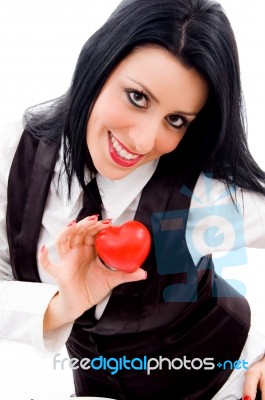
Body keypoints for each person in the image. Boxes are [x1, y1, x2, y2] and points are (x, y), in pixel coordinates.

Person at [1, 0, 265, 398]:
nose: (143, 141)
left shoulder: (203, 192)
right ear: (99, 65)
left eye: (175, 120)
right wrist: (61, 305)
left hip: (225, 383)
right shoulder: (15, 153)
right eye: (137, 97)